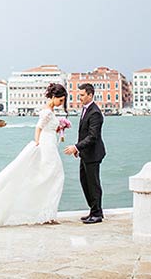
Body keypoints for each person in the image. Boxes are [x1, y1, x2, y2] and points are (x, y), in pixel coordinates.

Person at [0, 83, 67, 227]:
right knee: (55, 176)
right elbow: (38, 128)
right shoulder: (47, 112)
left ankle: (48, 213)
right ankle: (46, 213)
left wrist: (59, 128)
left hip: (50, 143)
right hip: (47, 145)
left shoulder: (50, 111)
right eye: (60, 100)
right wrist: (37, 143)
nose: (62, 103)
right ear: (54, 97)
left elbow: (47, 128)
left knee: (52, 177)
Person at [64, 83, 106, 224]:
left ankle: (97, 213)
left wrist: (76, 147)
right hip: (86, 153)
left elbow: (92, 136)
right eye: (79, 95)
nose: (79, 97)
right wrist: (79, 149)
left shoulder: (95, 112)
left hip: (93, 154)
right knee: (85, 182)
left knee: (93, 184)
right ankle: (93, 210)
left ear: (90, 95)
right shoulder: (86, 110)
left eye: (82, 95)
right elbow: (83, 133)